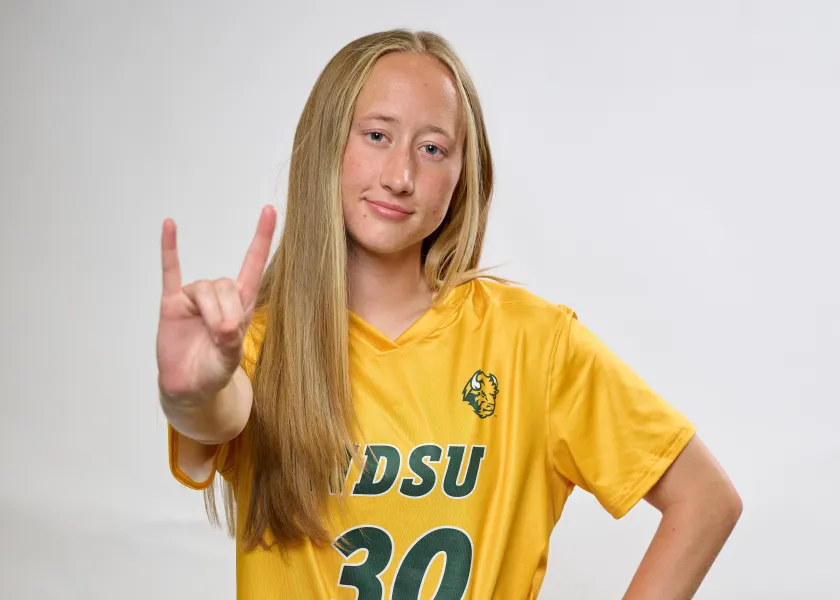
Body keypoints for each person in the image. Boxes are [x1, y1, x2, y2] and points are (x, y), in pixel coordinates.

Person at [157, 29, 742, 599]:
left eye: (432, 148)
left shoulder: (533, 344)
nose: (400, 176)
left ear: (463, 175)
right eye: (377, 135)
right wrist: (188, 393)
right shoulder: (258, 348)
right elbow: (215, 415)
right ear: (325, 144)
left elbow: (705, 499)